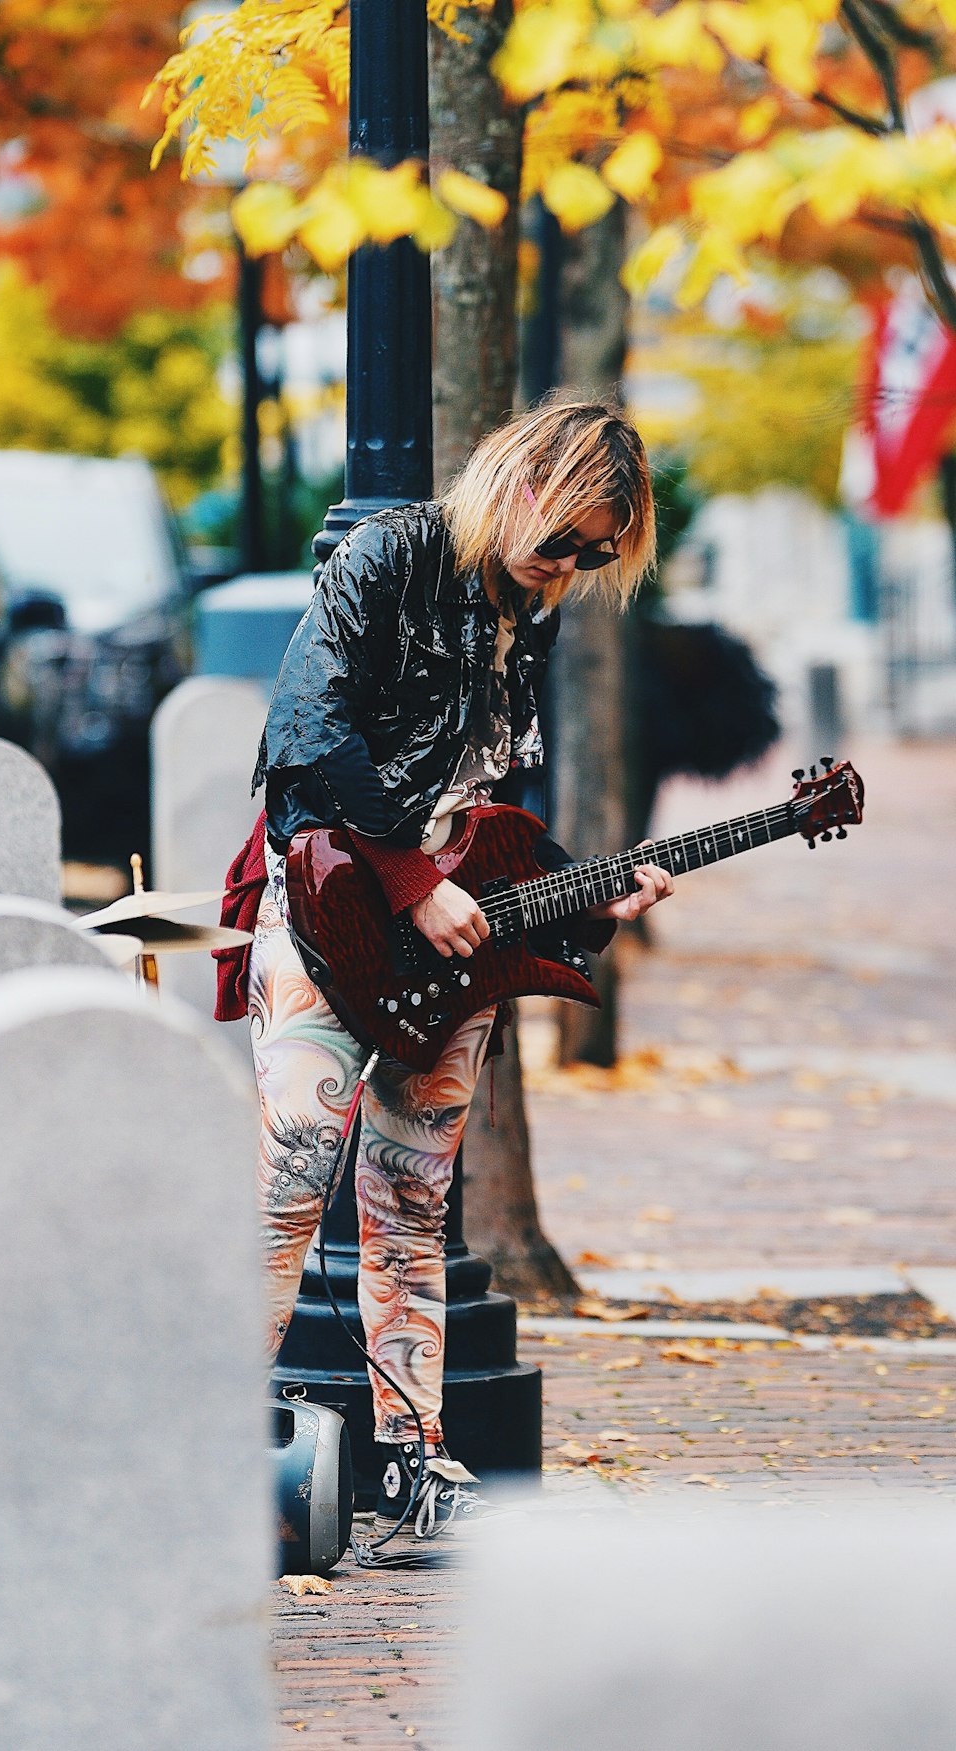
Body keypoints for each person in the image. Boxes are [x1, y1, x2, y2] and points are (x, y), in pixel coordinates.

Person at [231, 399, 674, 1554]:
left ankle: (415, 1465)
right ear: (523, 478)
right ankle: (206, 1443)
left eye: (594, 554)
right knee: (288, 1168)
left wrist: (583, 890)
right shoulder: (391, 554)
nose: (572, 564)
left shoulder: (528, 609)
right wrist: (408, 875)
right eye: (569, 534)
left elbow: (488, 806)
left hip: (441, 950)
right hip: (331, 910)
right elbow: (308, 732)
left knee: (411, 1201)